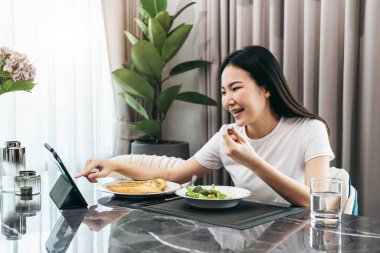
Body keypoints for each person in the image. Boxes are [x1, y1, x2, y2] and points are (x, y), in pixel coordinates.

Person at [76, 45, 334, 207]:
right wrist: (114, 165)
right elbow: (171, 177)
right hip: (245, 236)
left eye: (236, 88)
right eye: (223, 91)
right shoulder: (227, 136)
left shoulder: (309, 129)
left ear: (266, 88)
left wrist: (252, 161)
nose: (227, 100)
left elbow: (315, 201)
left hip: (297, 237)